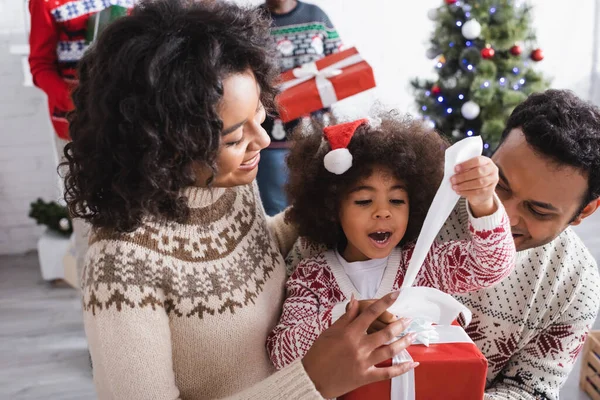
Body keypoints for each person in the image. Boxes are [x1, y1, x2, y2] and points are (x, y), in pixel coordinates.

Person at [63, 1, 417, 399]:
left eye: (260, 115)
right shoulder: (121, 266)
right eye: (234, 137)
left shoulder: (227, 184)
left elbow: (247, 253)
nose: (263, 141)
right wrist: (310, 382)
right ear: (163, 146)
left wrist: (334, 201)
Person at [267, 115, 516, 369]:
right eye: (364, 201)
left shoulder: (423, 264)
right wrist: (347, 316)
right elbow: (281, 353)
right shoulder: (313, 277)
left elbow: (492, 265)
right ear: (332, 209)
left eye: (397, 201)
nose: (383, 212)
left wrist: (484, 202)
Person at [439, 89, 600, 399]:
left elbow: (530, 390)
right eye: (500, 185)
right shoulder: (418, 201)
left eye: (537, 210)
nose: (504, 216)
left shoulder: (576, 283)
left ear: (584, 212)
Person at [28, 0, 136, 282]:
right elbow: (40, 65)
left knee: (139, 219)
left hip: (132, 125)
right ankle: (93, 312)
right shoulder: (47, 2)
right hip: (76, 128)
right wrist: (78, 103)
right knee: (86, 227)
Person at [257, 0, 343, 216]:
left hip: (316, 137)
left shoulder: (317, 17)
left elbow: (340, 68)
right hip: (269, 139)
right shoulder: (251, 21)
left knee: (318, 211)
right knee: (276, 214)